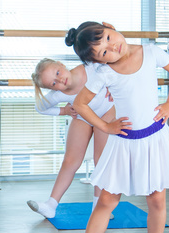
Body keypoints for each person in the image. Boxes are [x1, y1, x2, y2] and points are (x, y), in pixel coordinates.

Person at [55, 22, 169, 233]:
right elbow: (82, 105)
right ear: (99, 62)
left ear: (110, 27)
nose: (112, 46)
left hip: (154, 140)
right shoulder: (105, 74)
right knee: (106, 199)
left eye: (107, 37)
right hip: (124, 142)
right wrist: (105, 127)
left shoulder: (150, 52)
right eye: (103, 52)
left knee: (157, 199)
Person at [25, 58, 115, 219]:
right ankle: (50, 205)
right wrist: (63, 111)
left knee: (101, 161)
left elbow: (113, 66)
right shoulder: (58, 95)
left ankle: (98, 207)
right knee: (70, 161)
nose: (59, 80)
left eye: (57, 73)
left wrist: (113, 85)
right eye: (53, 83)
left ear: (61, 64)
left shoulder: (90, 67)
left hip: (106, 113)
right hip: (83, 116)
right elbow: (40, 107)